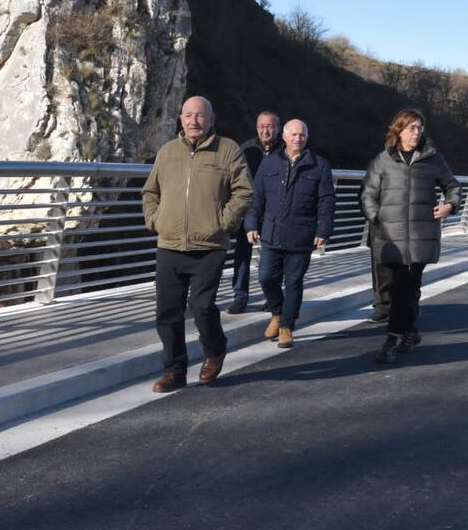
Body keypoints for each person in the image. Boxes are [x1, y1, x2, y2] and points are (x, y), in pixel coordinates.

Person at [142, 96, 253, 392]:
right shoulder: (167, 152)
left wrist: (223, 223)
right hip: (169, 244)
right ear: (180, 118)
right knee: (167, 312)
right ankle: (174, 371)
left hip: (210, 245)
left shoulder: (228, 150)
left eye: (200, 116)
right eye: (188, 115)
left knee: (202, 306)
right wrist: (156, 220)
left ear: (211, 119)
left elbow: (243, 193)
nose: (194, 121)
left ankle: (215, 349)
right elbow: (150, 192)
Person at [360, 108, 461, 364]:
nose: (417, 133)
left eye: (420, 128)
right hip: (390, 238)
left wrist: (450, 205)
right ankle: (410, 332)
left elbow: (453, 186)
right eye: (412, 128)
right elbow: (367, 194)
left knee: (405, 287)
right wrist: (376, 217)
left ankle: (391, 339)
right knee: (407, 290)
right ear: (399, 130)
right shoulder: (382, 160)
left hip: (420, 236)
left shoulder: (433, 159)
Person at [245, 119, 335, 349]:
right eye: (293, 135)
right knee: (266, 277)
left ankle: (286, 326)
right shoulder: (269, 163)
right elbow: (257, 198)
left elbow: (326, 201)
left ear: (307, 138)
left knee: (294, 282)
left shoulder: (319, 165)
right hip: (272, 233)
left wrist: (323, 229)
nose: (298, 139)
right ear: (284, 137)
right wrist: (251, 224)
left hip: (302, 235)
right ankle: (277, 312)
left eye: (302, 135)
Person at [227, 111, 282, 314]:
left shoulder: (284, 150)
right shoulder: (246, 148)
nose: (265, 130)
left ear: (277, 128)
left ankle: (272, 296)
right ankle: (240, 296)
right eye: (261, 126)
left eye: (269, 126)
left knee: (273, 256)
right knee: (242, 253)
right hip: (249, 209)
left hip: (273, 212)